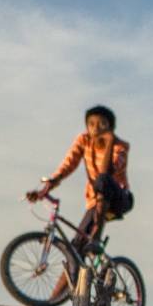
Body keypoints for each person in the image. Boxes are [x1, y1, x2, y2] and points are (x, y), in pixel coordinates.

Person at [28, 105, 131, 253]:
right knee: (76, 249)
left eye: (102, 124)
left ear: (110, 128)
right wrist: (46, 187)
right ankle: (74, 274)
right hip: (95, 201)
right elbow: (68, 164)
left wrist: (109, 142)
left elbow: (107, 171)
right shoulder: (84, 140)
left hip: (120, 198)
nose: (96, 129)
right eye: (91, 124)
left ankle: (96, 238)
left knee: (103, 179)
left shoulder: (120, 147)